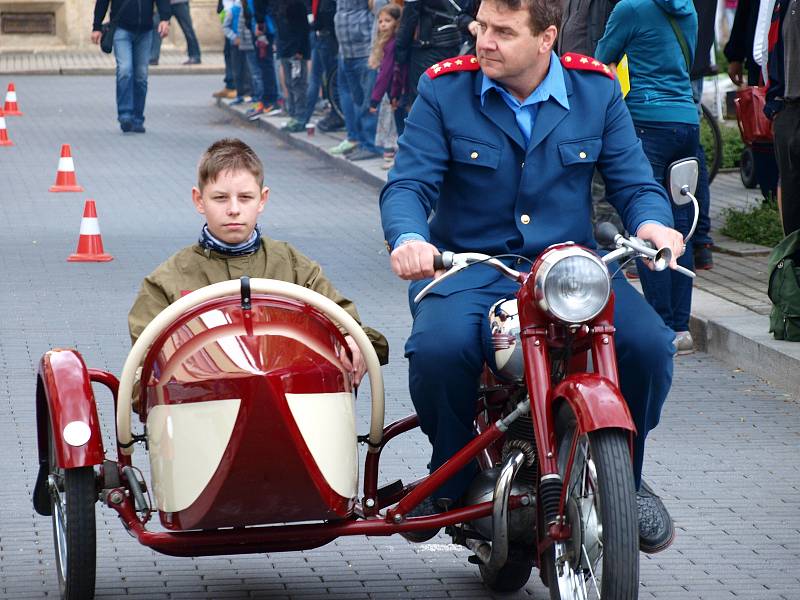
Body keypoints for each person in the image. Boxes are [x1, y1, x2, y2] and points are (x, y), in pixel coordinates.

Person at [381, 0, 682, 554]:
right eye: (480, 27)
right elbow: (407, 185)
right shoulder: (445, 91)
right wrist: (409, 239)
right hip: (469, 269)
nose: (483, 41)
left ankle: (626, 480)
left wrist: (655, 226)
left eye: (502, 32)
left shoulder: (595, 91)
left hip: (569, 273)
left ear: (547, 38)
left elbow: (634, 182)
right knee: (437, 350)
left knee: (649, 346)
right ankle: (449, 479)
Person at [128, 138, 389, 381]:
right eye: (220, 198)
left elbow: (351, 327)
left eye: (245, 197)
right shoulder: (166, 282)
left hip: (291, 410)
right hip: (202, 415)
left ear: (262, 199)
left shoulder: (295, 267)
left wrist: (354, 340)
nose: (233, 209)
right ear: (199, 200)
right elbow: (142, 369)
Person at [596, 0, 701, 355]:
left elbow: (601, 60)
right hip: (687, 121)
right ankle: (681, 327)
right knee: (681, 224)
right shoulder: (688, 8)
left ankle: (660, 324)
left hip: (646, 120)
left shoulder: (631, 8)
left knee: (652, 225)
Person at [92, 0, 170, 133]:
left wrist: (165, 19)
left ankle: (137, 118)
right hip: (121, 29)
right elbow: (102, 2)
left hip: (145, 31)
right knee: (125, 70)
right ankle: (125, 115)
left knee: (141, 75)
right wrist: (96, 27)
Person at [764, 0, 799, 236]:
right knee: (793, 209)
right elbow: (772, 47)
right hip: (789, 107)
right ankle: (792, 267)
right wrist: (775, 103)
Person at [395, 0, 472, 103]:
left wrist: (400, 50)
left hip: (427, 47)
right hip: (453, 43)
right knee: (448, 98)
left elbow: (409, 17)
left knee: (423, 100)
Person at [368, 3, 408, 168]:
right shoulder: (389, 42)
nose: (383, 24)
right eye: (380, 20)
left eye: (387, 20)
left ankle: (398, 159)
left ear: (397, 23)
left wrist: (374, 100)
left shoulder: (392, 44)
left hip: (394, 91)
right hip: (394, 90)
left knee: (397, 125)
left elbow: (386, 73)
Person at [275, 0, 312, 132]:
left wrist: (300, 50)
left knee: (298, 84)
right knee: (289, 83)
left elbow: (303, 29)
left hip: (296, 52)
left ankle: (300, 117)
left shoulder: (297, 5)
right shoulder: (280, 5)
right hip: (285, 49)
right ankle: (293, 114)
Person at [150, 0, 202, 65]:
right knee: (157, 29)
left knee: (187, 29)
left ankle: (195, 55)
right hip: (162, 3)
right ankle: (153, 57)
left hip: (179, 2)